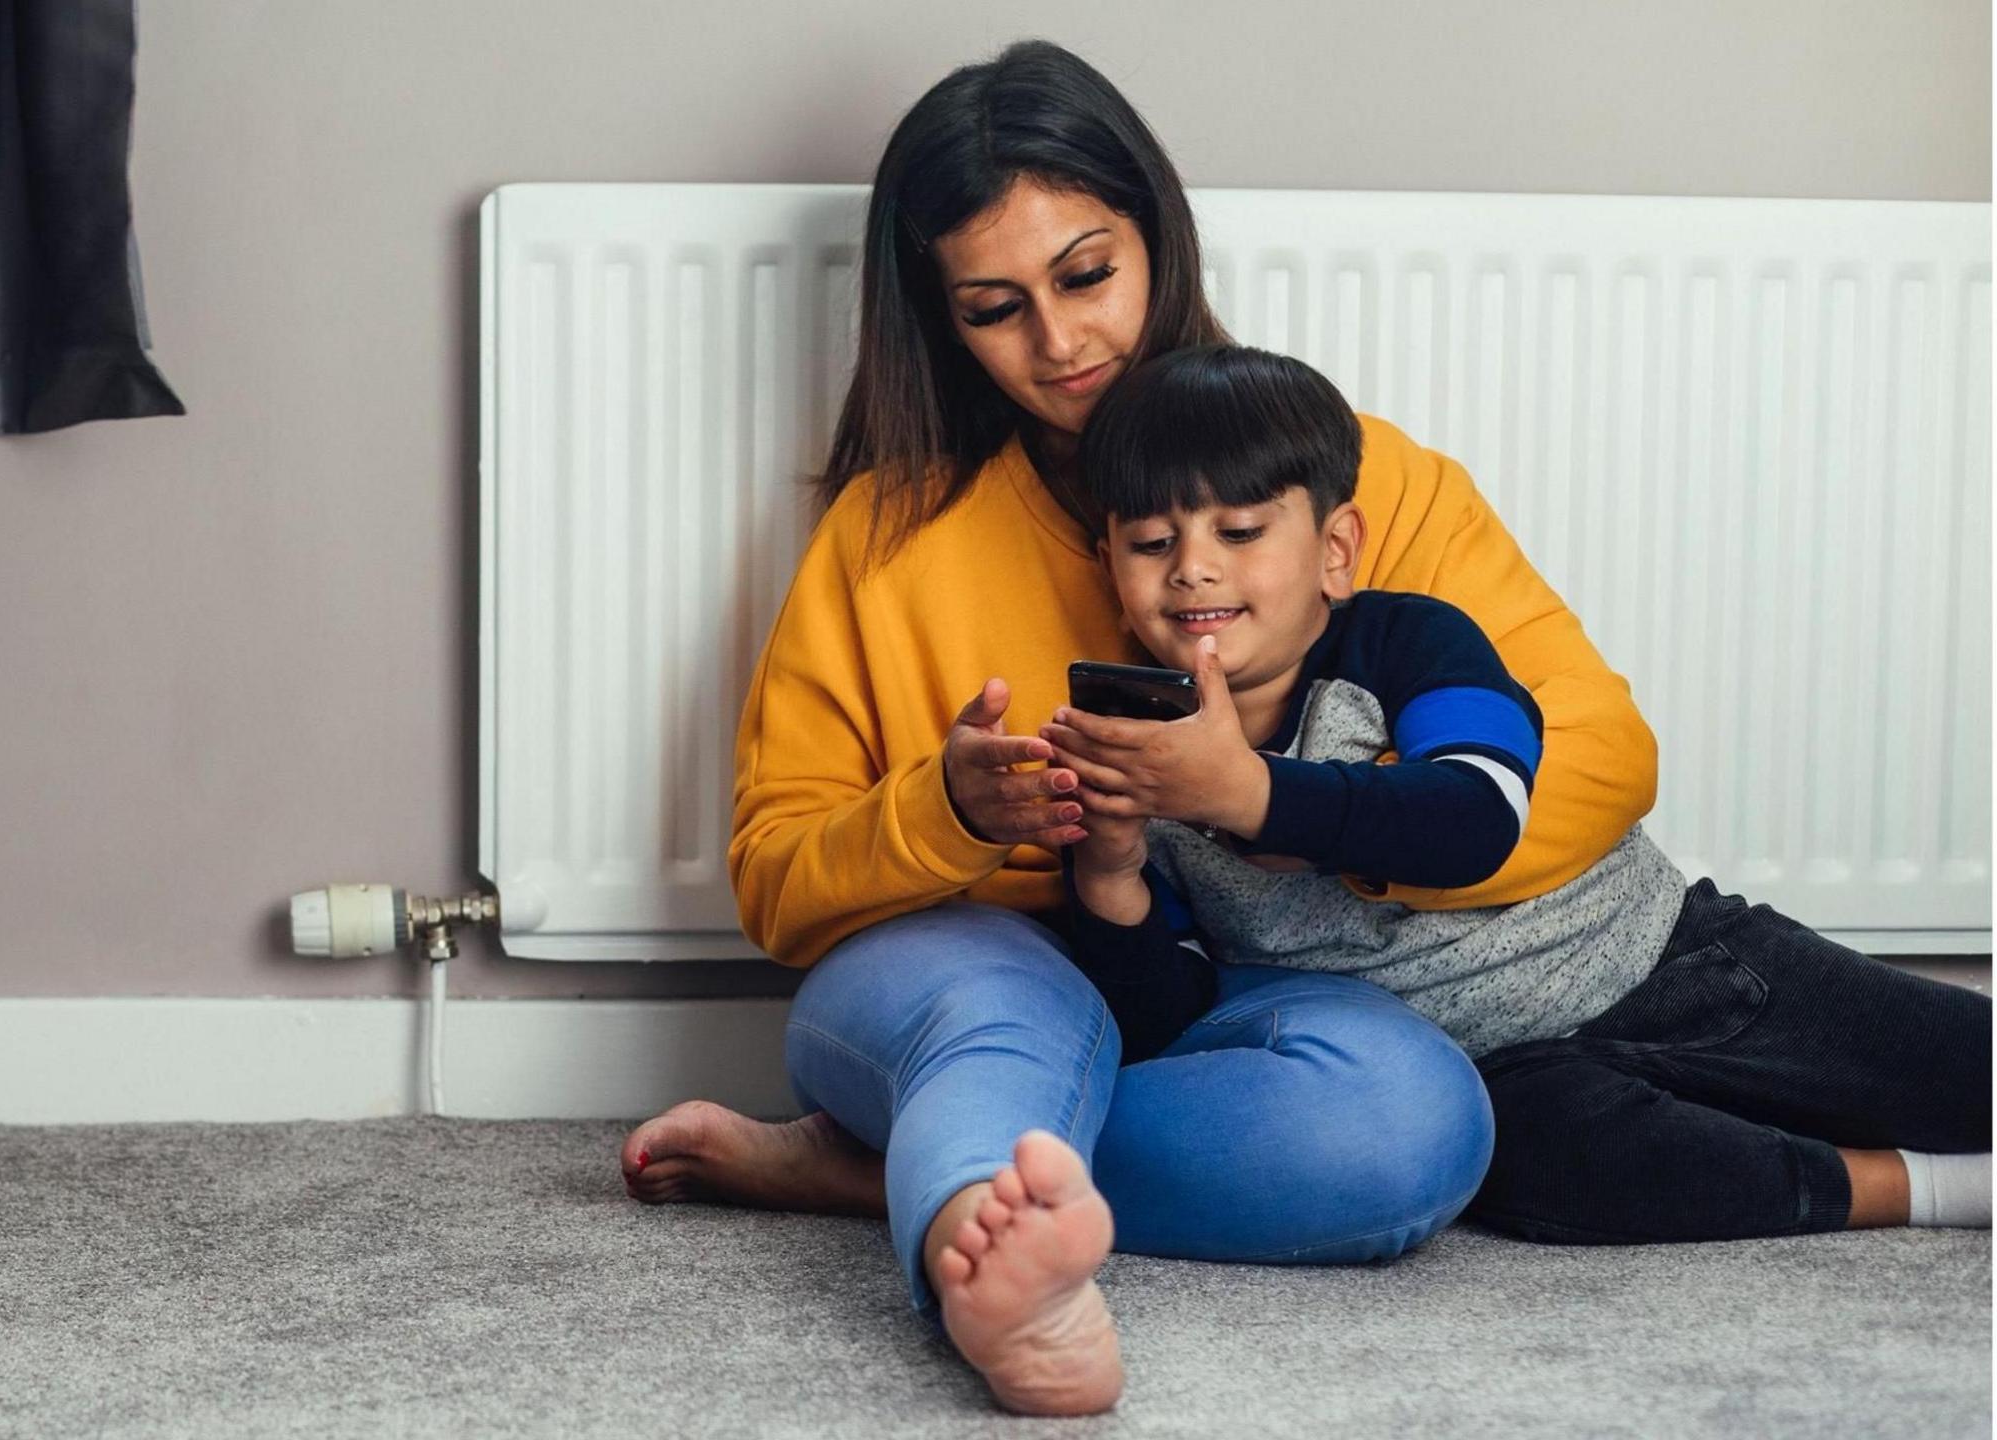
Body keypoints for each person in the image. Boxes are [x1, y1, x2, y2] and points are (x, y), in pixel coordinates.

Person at [620, 39, 1652, 1416]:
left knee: (1420, 1124)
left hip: (1235, 980)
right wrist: (951, 816)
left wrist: (1273, 816)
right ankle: (988, 1277)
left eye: (1089, 274)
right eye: (995, 306)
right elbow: (775, 878)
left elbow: (1602, 758)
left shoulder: (1351, 475)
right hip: (982, 966)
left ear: (1158, 236)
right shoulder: (883, 536)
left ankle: (896, 1165)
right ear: (942, 317)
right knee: (1007, 1013)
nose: (1061, 344)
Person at [1048, 341, 1993, 1246]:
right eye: (1151, 542)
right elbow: (1168, 1021)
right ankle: (1932, 1188)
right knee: (1549, 1174)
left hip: (1666, 962)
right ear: (1111, 570)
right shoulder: (1131, 757)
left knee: (1958, 1066)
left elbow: (1478, 817)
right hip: (1507, 1071)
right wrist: (1110, 874)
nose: (1193, 568)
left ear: (1337, 549)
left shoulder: (1410, 642)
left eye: (1241, 531)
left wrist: (1252, 792)